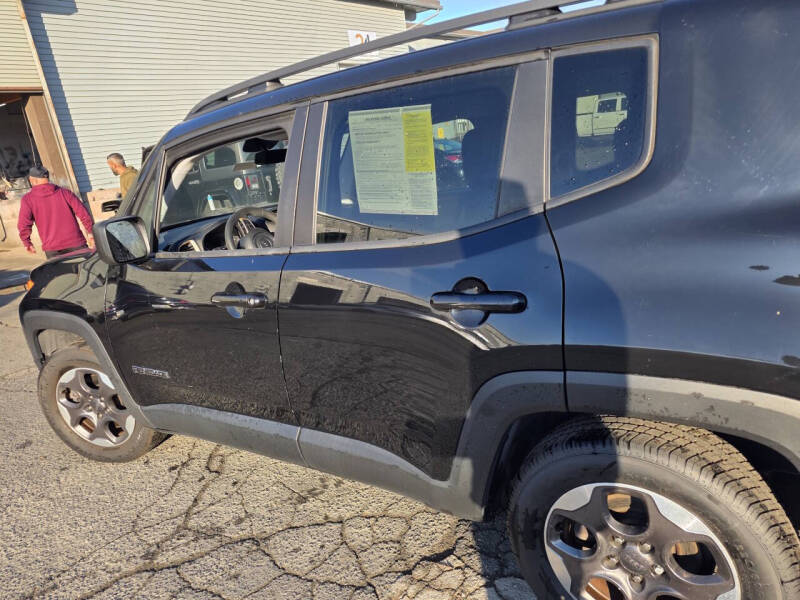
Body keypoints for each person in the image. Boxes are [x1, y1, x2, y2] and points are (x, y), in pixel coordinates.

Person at [17, 166, 95, 258]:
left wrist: (27, 243)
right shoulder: (65, 193)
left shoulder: (28, 199)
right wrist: (91, 233)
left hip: (52, 249)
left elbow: (23, 224)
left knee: (59, 273)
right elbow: (84, 214)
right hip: (76, 244)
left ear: (32, 180)